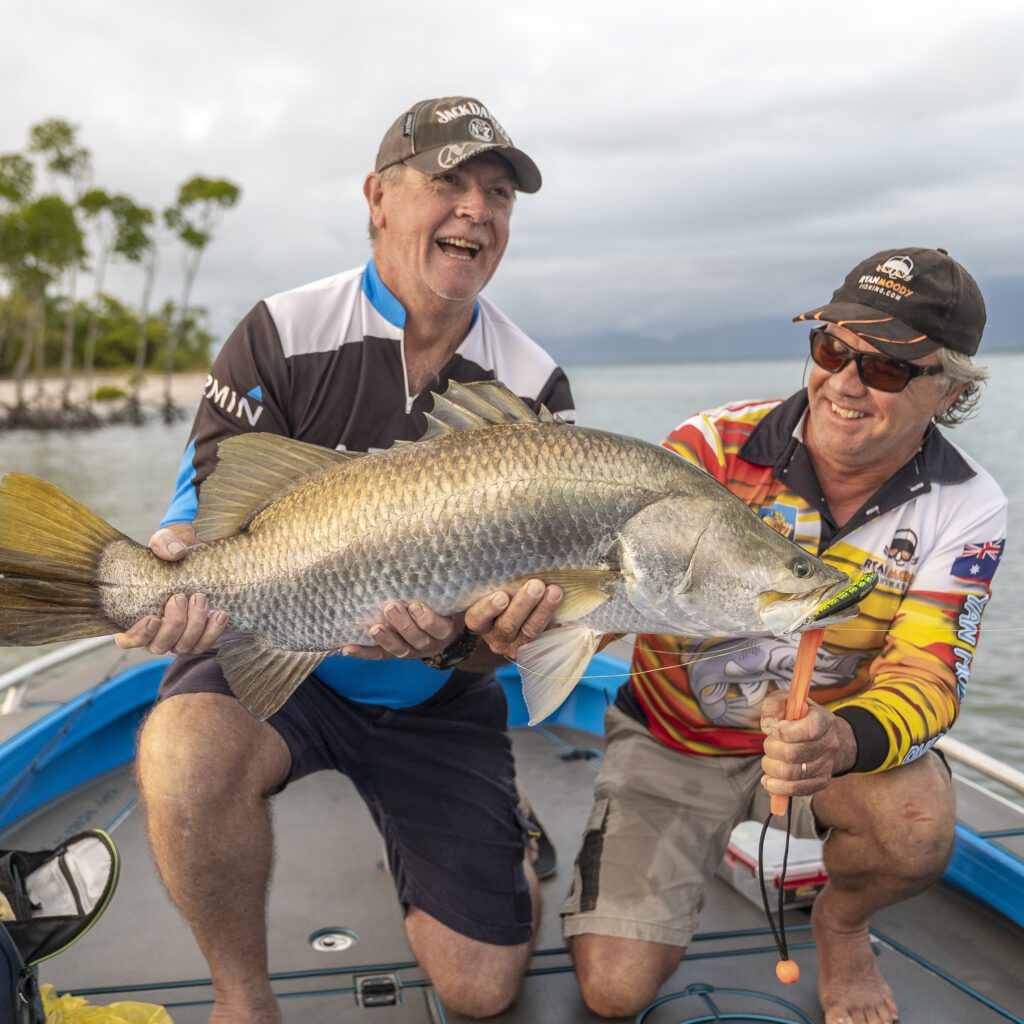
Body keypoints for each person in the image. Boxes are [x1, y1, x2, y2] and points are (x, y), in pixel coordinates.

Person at [115, 96, 573, 1023]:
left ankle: (506, 832)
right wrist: (174, 554)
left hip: (435, 695)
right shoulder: (281, 331)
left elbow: (520, 630)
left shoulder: (533, 386)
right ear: (378, 197)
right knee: (183, 757)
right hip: (278, 643)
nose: (476, 210)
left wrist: (454, 643)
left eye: (497, 192)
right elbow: (211, 501)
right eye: (447, 181)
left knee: (481, 994)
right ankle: (242, 999)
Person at [560, 247, 1008, 1024]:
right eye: (832, 348)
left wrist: (837, 740)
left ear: (953, 391)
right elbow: (606, 597)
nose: (844, 382)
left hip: (827, 760)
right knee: (613, 991)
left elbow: (930, 676)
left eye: (889, 368)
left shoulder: (967, 503)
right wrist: (522, 628)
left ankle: (842, 924)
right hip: (674, 744)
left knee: (917, 827)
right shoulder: (707, 448)